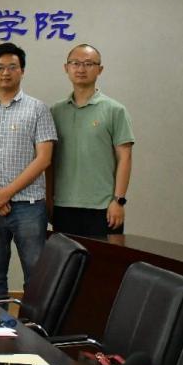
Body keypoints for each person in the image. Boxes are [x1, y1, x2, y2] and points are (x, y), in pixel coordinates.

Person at [0, 42, 57, 300]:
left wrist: (6, 193)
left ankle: (34, 324)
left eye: (12, 67)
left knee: (36, 273)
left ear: (22, 71)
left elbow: (44, 158)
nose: (5, 72)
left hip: (29, 206)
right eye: (0, 67)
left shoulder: (38, 108)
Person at [51, 44, 134, 238]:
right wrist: (49, 200)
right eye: (75, 63)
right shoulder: (55, 111)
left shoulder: (115, 110)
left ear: (100, 69)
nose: (81, 69)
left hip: (103, 207)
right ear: (66, 68)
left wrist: (119, 201)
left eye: (89, 64)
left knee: (104, 259)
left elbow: (125, 158)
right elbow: (50, 161)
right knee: (66, 258)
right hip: (63, 206)